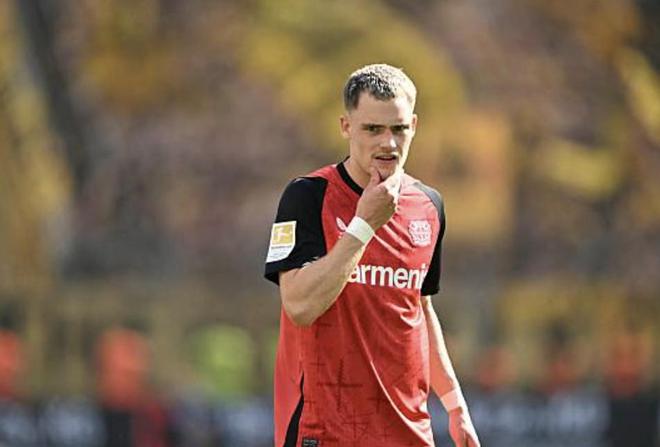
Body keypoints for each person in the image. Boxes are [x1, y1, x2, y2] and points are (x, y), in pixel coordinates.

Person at [264, 63, 480, 447]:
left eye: (398, 129)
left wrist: (454, 404)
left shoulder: (429, 205)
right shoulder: (307, 196)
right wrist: (364, 224)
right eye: (373, 129)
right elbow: (299, 305)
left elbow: (419, 308)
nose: (388, 143)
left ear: (414, 126)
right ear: (346, 126)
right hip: (324, 431)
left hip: (409, 432)